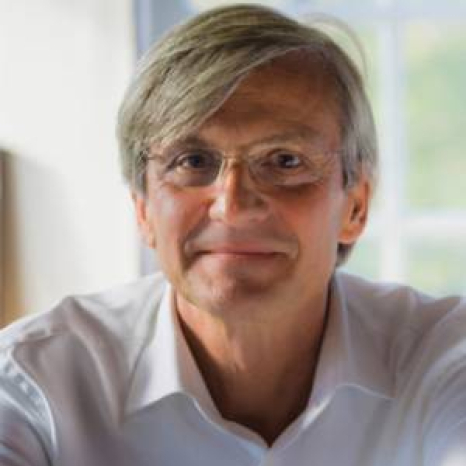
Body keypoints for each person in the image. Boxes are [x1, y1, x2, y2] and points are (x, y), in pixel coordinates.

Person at [1, 4, 465, 466]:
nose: (233, 205)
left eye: (285, 160)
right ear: (143, 208)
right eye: (192, 162)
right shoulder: (32, 383)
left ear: (356, 205)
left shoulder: (444, 358)